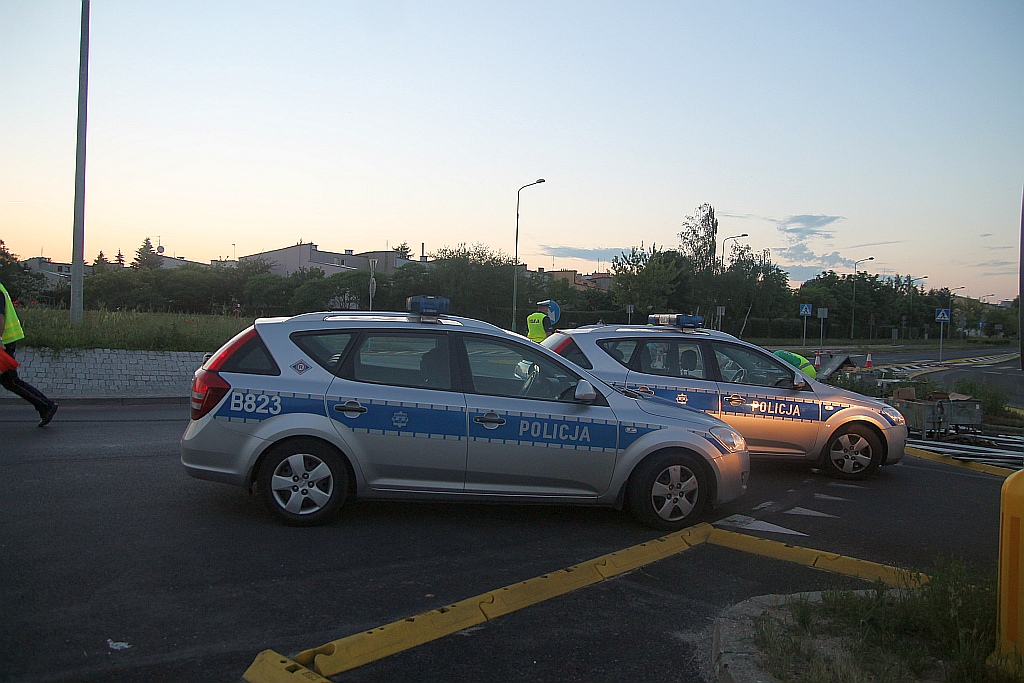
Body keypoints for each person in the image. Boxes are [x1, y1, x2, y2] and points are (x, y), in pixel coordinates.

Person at [0, 282, 58, 426]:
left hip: (5, 342)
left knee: (10, 381)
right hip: (7, 340)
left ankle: (45, 406)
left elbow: (0, 317)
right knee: (10, 381)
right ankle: (45, 405)